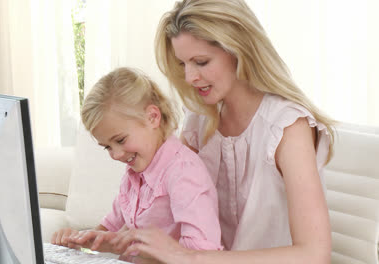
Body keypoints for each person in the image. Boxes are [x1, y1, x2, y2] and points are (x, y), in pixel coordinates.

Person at [112, 0, 336, 263]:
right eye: (183, 64)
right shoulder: (199, 121)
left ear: (239, 50)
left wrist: (190, 257)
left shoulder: (287, 126)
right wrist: (115, 236)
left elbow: (314, 254)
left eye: (201, 62)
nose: (189, 77)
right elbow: (171, 205)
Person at [51, 67, 222, 256]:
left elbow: (202, 253)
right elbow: (110, 232)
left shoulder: (184, 173)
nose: (115, 155)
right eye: (107, 147)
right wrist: (79, 240)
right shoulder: (135, 174)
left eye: (120, 140)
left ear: (152, 117)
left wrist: (144, 254)